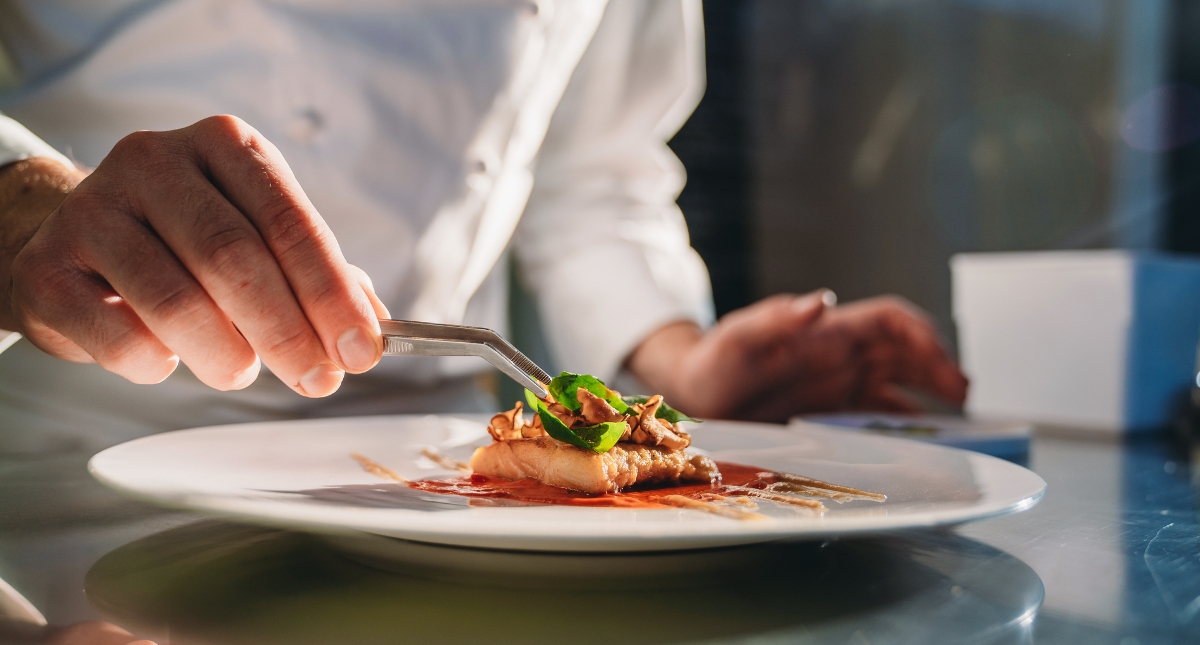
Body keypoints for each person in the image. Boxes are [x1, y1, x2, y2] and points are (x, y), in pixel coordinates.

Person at [0, 0, 966, 453]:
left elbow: (593, 174)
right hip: (83, 453)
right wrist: (31, 209)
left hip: (439, 458)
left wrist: (682, 362)